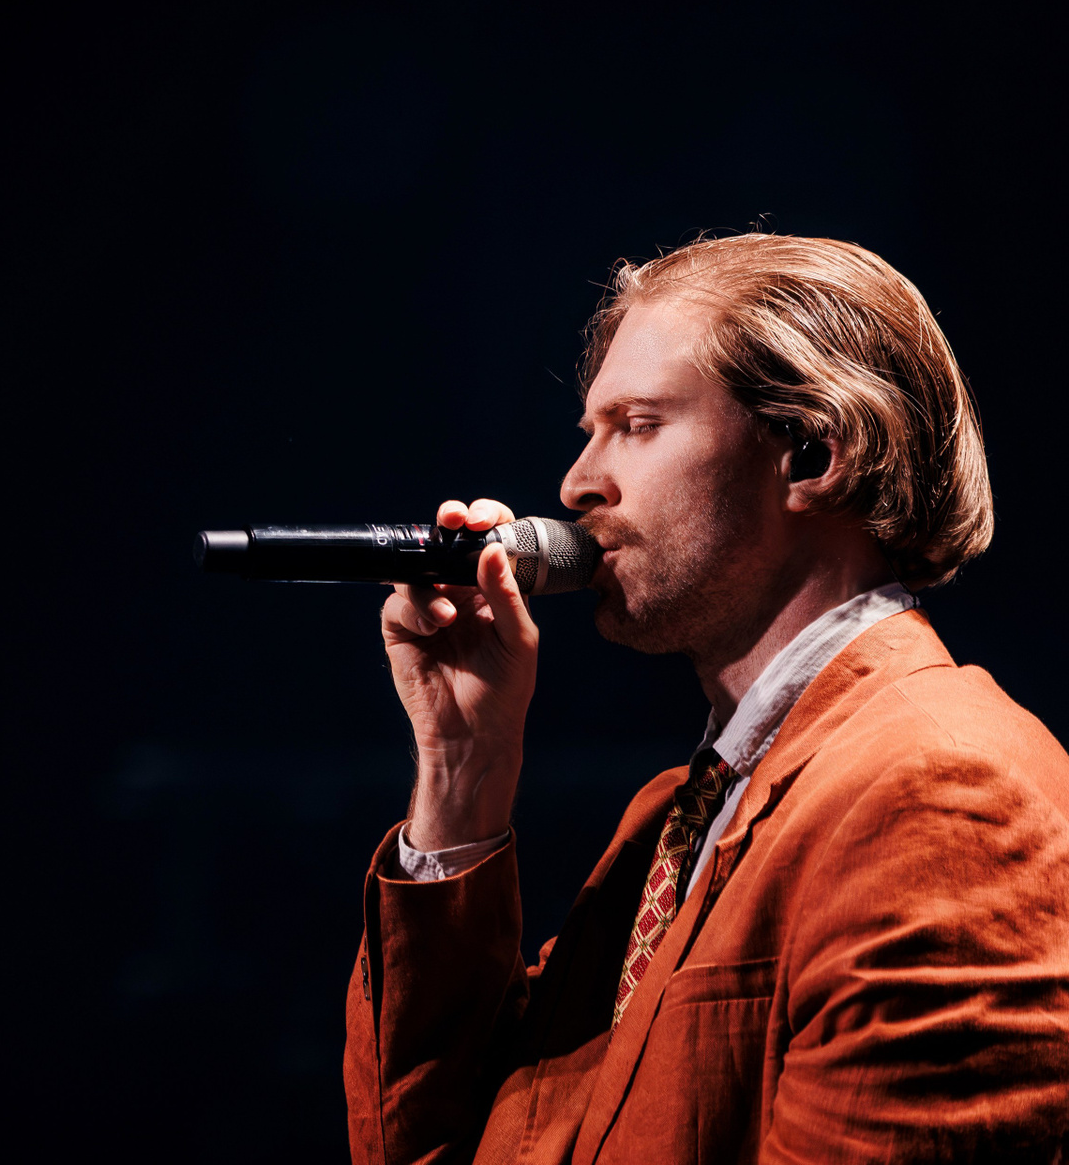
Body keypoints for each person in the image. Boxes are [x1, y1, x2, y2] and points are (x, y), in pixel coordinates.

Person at [346, 234, 1068, 1164]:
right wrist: (462, 769)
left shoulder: (939, 796)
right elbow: (436, 1145)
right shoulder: (673, 817)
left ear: (812, 456)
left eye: (638, 425)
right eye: (589, 430)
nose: (575, 485)